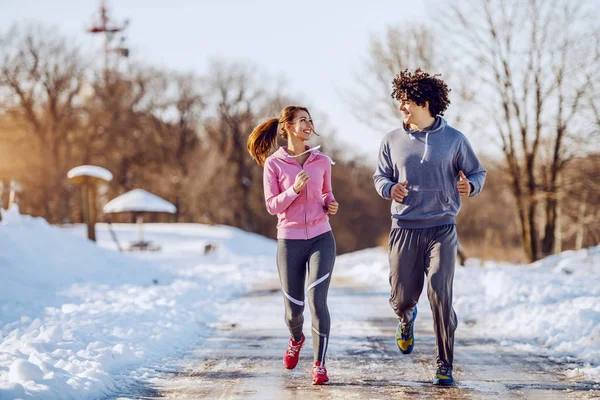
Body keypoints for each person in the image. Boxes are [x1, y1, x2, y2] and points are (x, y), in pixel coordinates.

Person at [373, 69, 486, 386]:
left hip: (441, 227)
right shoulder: (392, 140)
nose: (401, 108)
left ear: (424, 102)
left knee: (440, 293)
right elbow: (380, 176)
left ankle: (444, 364)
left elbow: (477, 173)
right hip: (405, 228)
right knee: (402, 297)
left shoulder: (454, 140)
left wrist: (470, 186)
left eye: (405, 102)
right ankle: (405, 318)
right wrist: (389, 188)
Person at [247, 105, 339, 385]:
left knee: (317, 301)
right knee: (294, 311)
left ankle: (319, 364)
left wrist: (330, 204)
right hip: (289, 241)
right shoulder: (274, 164)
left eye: (310, 120)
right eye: (302, 121)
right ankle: (296, 338)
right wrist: (294, 189)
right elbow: (272, 205)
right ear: (287, 126)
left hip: (322, 238)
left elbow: (327, 193)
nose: (308, 125)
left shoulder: (321, 160)